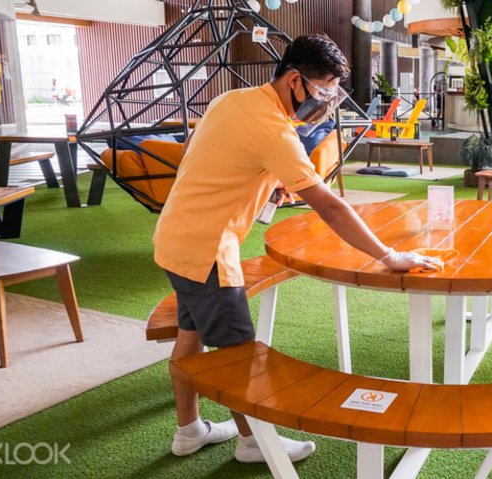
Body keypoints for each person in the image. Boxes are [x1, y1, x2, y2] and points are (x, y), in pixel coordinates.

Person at [153, 34, 442, 464]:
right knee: (237, 357)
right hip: (208, 252)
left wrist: (263, 181)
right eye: (323, 90)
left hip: (173, 238)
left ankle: (189, 431)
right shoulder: (274, 132)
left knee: (190, 335)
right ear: (294, 81)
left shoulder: (231, 100)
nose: (326, 102)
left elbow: (209, 156)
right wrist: (389, 255)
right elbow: (329, 204)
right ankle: (254, 444)